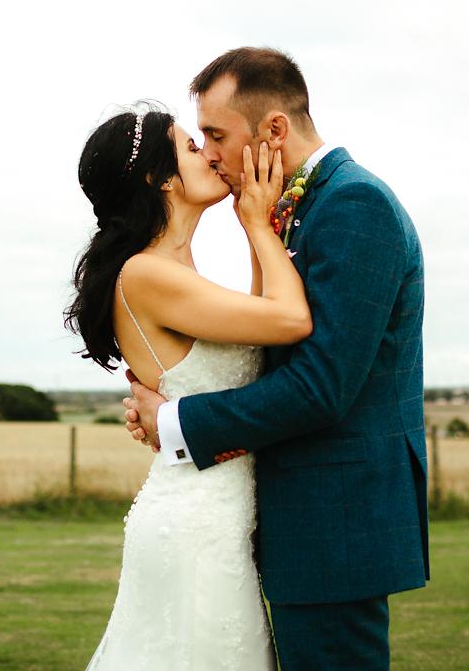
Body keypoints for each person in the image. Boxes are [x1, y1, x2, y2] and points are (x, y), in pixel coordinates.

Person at [123, 47, 429, 670]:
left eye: (215, 134)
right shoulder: (298, 208)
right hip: (299, 522)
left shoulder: (352, 205)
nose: (208, 152)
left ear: (274, 130)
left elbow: (322, 386)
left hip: (335, 520)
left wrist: (178, 423)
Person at [65, 100, 310, 670]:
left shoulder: (176, 273)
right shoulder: (146, 273)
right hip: (196, 527)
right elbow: (291, 320)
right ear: (160, 178)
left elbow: (263, 318)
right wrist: (255, 221)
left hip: (218, 519)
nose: (211, 155)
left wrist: (259, 225)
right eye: (192, 147)